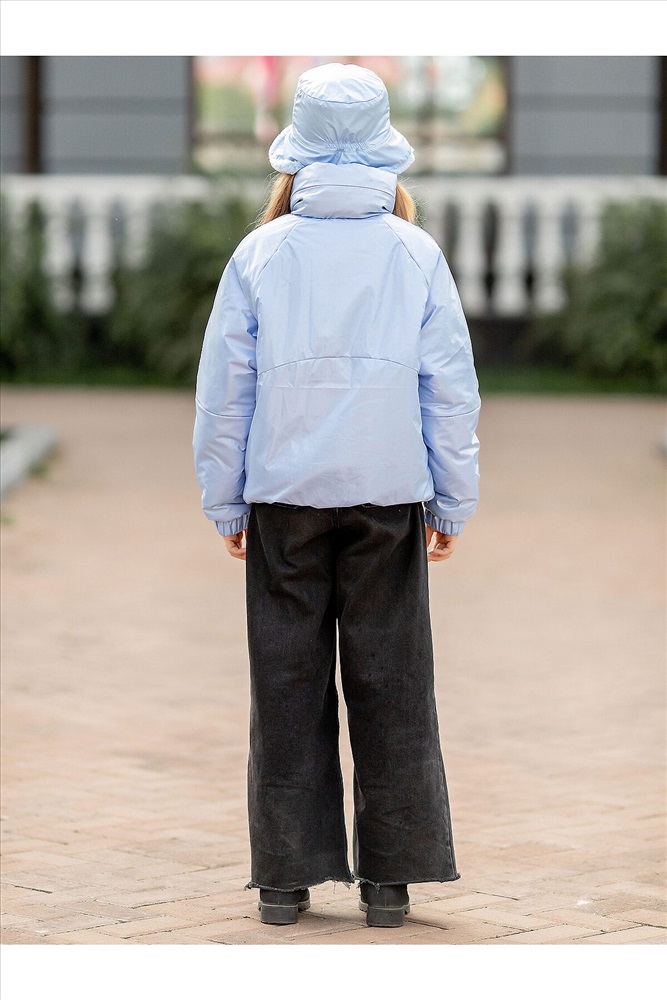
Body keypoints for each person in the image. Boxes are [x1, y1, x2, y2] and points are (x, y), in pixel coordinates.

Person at [193, 62, 481, 929]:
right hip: (388, 496)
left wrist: (225, 500)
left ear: (296, 151)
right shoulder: (414, 252)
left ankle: (284, 881)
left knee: (285, 683)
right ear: (385, 149)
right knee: (394, 681)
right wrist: (452, 499)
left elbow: (225, 394)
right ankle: (389, 884)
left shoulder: (260, 252)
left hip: (283, 496)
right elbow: (449, 390)